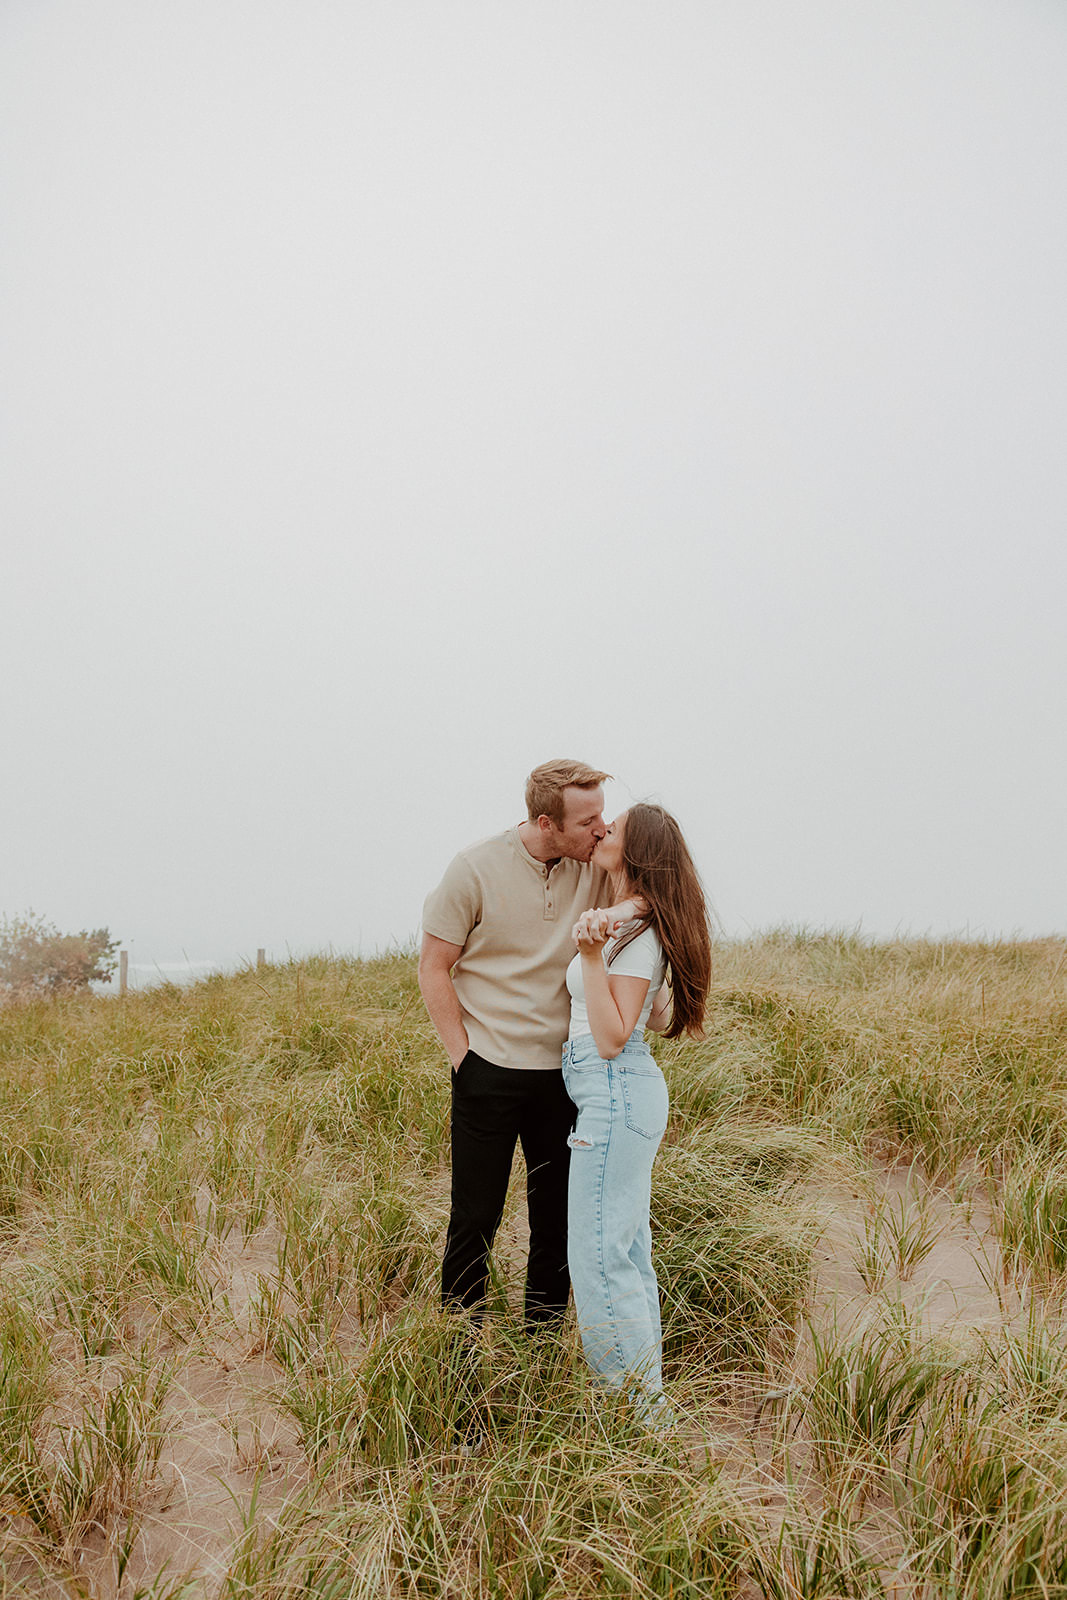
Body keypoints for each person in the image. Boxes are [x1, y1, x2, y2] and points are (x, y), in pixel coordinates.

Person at [418, 760, 644, 1328]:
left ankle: (539, 1346)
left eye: (602, 816)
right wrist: (461, 1058)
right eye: (588, 819)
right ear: (548, 823)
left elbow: (654, 897)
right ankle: (460, 1351)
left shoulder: (594, 865)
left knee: (555, 1221)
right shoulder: (472, 869)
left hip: (566, 1075)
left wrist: (618, 907)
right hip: (486, 1070)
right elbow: (432, 967)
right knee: (474, 1218)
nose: (601, 828)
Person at [563, 802, 712, 1426]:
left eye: (613, 829)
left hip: (615, 1089)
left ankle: (638, 1426)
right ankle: (646, 1409)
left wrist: (593, 958)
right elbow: (650, 1014)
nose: (602, 831)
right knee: (624, 1255)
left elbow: (612, 1036)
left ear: (636, 853)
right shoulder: (637, 921)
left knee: (598, 1261)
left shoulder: (630, 933)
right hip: (625, 1094)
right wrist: (618, 925)